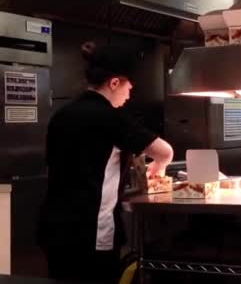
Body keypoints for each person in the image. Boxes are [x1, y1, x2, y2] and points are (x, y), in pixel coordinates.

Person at [38, 41, 173, 282]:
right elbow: (164, 152)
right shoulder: (111, 117)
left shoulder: (62, 115)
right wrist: (158, 168)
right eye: (128, 89)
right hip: (91, 232)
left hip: (55, 230)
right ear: (114, 83)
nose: (128, 96)